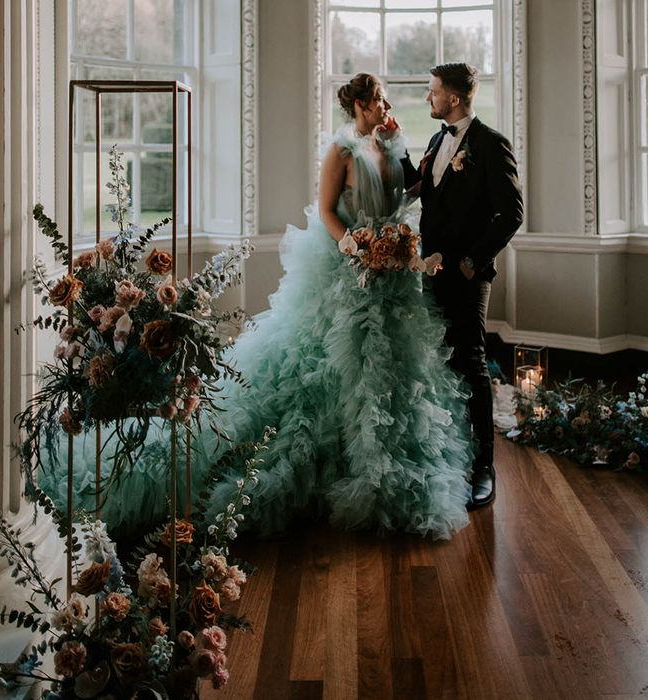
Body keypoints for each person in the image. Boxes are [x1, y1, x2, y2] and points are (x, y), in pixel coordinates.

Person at [41, 73, 474, 540]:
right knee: (321, 373)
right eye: (380, 101)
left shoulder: (390, 148)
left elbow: (398, 198)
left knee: (384, 379)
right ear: (361, 105)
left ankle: (370, 467)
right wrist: (355, 245)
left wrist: (402, 229)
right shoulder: (341, 151)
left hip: (389, 284)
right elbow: (327, 210)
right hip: (347, 278)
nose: (388, 109)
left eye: (388, 101)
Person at [407, 63, 523, 509]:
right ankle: (453, 452)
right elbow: (421, 189)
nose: (428, 98)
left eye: (432, 91)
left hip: (468, 276)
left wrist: (475, 260)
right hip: (430, 272)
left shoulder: (491, 145)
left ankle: (484, 469)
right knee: (442, 360)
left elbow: (512, 213)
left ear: (453, 98)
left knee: (473, 362)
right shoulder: (438, 140)